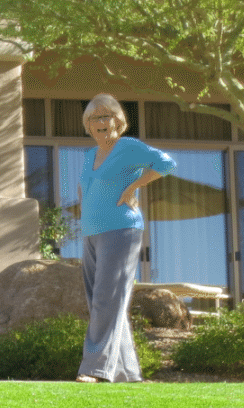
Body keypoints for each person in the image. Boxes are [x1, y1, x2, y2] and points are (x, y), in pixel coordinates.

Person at [75, 94, 176, 383]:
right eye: (95, 118)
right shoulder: (87, 156)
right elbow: (86, 189)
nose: (102, 123)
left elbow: (166, 163)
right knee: (102, 301)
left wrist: (134, 186)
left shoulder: (128, 147)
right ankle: (128, 373)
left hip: (121, 230)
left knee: (107, 300)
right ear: (88, 125)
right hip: (92, 233)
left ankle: (94, 368)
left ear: (119, 120)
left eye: (107, 116)